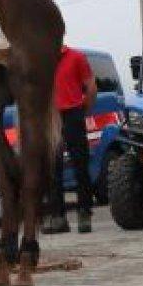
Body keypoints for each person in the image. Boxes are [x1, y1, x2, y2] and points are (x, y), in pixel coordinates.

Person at [42, 45, 98, 235]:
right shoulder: (43, 60)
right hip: (51, 116)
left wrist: (84, 110)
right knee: (53, 167)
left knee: (80, 164)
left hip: (73, 114)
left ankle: (84, 213)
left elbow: (90, 85)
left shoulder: (76, 57)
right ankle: (58, 217)